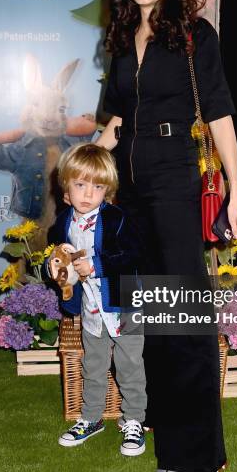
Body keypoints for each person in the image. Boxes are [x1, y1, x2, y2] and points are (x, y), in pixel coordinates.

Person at [97, 0, 237, 472]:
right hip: (129, 186)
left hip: (175, 179)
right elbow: (113, 119)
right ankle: (166, 421)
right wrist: (86, 160)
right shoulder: (117, 38)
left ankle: (192, 452)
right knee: (153, 316)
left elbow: (220, 115)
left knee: (183, 318)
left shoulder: (194, 36)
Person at [49, 143, 147, 456]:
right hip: (92, 311)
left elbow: (135, 254)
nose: (88, 194)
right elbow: (57, 255)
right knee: (93, 366)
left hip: (124, 306)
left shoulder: (118, 218)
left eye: (97, 186)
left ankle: (133, 420)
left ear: (108, 189)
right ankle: (91, 418)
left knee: (130, 366)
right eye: (80, 184)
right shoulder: (63, 222)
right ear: (66, 186)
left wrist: (97, 266)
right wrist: (53, 267)